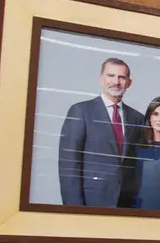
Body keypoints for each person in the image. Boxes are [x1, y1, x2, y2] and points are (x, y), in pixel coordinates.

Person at [58, 58, 145, 207]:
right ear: (101, 79)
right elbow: (69, 164)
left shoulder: (137, 118)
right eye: (110, 76)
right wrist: (74, 209)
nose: (116, 82)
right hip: (91, 201)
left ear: (129, 83)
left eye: (121, 77)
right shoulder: (81, 111)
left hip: (127, 204)